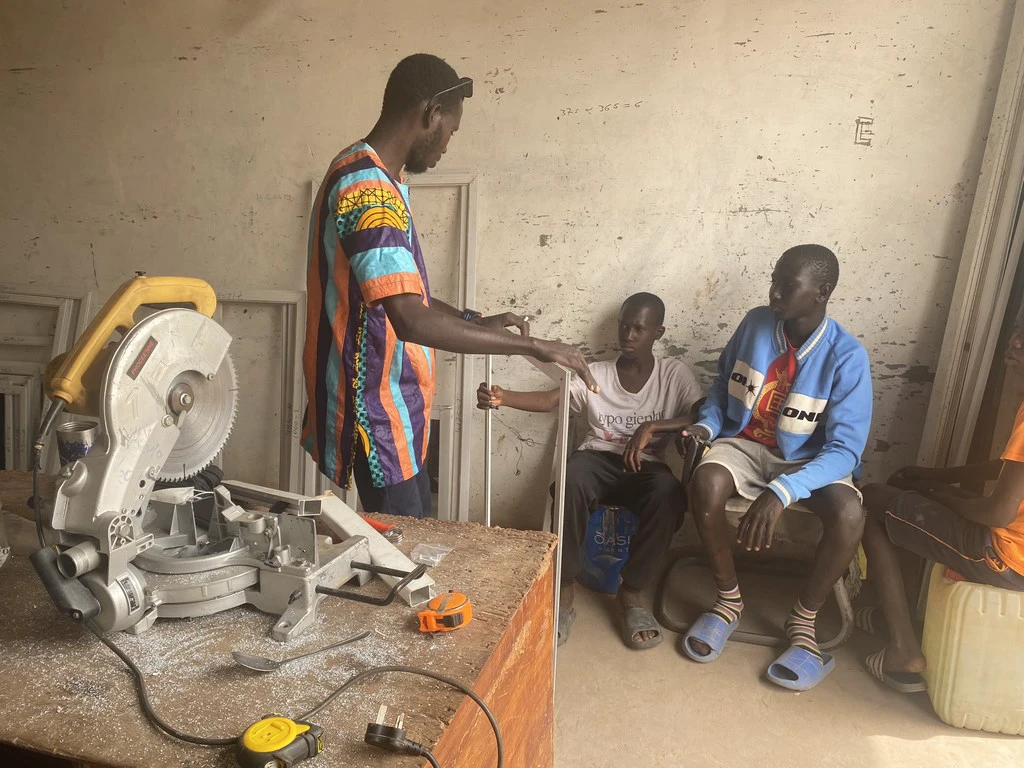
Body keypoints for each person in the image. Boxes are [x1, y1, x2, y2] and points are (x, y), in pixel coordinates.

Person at [301, 54, 597, 519]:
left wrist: (469, 319)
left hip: (397, 404)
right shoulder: (368, 188)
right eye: (451, 131)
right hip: (376, 411)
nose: (446, 146)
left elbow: (399, 291)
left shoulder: (384, 180)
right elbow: (408, 318)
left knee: (413, 542)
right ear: (431, 114)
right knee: (404, 559)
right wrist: (532, 347)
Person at [680, 244, 872, 691]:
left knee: (849, 515)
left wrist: (783, 490)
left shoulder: (847, 356)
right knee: (704, 482)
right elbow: (719, 387)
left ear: (822, 292)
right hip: (747, 445)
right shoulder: (755, 324)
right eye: (774, 279)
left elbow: (846, 451)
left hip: (809, 460)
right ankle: (728, 601)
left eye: (788, 284)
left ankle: (804, 622)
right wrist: (706, 429)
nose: (774, 292)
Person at [477, 293, 703, 649]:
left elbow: (700, 414)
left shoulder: (674, 374)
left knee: (670, 495)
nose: (628, 335)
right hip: (598, 460)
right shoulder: (596, 373)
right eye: (624, 325)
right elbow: (553, 399)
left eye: (639, 329)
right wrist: (504, 396)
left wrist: (654, 428)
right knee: (570, 480)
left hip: (646, 468)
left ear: (658, 332)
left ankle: (631, 594)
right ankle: (565, 591)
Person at [857, 304, 1024, 693]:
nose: (1013, 342)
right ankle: (895, 616)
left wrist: (939, 494)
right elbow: (1002, 470)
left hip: (1005, 558)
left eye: (1023, 337)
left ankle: (902, 649)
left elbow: (997, 512)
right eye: (1015, 331)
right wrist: (936, 479)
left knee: (871, 500)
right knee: (917, 504)